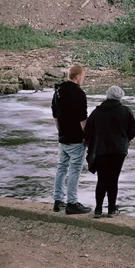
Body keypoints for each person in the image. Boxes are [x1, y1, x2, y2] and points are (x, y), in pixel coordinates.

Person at [84, 85, 135, 218]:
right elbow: (134, 129)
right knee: (113, 179)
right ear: (121, 97)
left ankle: (98, 209)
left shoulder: (97, 112)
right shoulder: (125, 111)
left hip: (101, 150)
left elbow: (87, 131)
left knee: (101, 179)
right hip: (119, 150)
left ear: (107, 96)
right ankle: (111, 209)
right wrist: (127, 139)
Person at [51, 64, 92, 215]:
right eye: (83, 76)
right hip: (76, 139)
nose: (84, 79)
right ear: (78, 77)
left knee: (61, 168)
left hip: (63, 137)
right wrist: (87, 137)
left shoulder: (58, 91)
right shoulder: (79, 93)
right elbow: (83, 119)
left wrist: (60, 131)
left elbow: (55, 115)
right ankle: (72, 203)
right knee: (74, 169)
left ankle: (57, 200)